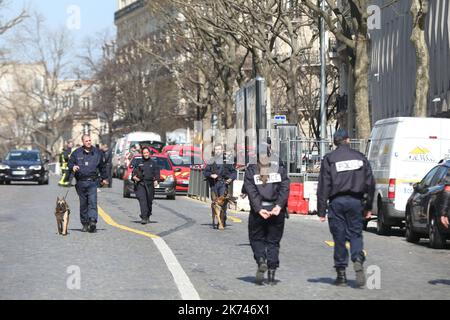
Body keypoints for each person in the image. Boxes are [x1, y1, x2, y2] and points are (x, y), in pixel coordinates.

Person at [317, 129, 375, 287]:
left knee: (339, 238)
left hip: (336, 202)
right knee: (356, 234)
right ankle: (357, 258)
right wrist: (368, 206)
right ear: (348, 140)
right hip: (356, 202)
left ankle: (341, 274)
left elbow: (324, 186)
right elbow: (370, 183)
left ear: (335, 142)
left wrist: (321, 210)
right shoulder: (360, 158)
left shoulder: (329, 159)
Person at [244, 153, 290, 285]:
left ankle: (261, 260)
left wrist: (259, 209)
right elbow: (285, 187)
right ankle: (271, 273)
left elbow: (251, 191)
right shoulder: (279, 169)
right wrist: (279, 206)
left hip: (258, 212)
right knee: (273, 242)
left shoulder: (251, 170)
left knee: (256, 239)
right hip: (276, 211)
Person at [68, 135, 108, 233]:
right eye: (86, 141)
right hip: (81, 182)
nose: (89, 142)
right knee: (83, 204)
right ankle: (85, 224)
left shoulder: (97, 153)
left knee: (93, 202)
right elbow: (69, 163)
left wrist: (104, 178)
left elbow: (102, 167)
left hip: (93, 182)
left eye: (90, 140)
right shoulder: (76, 153)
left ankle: (92, 221)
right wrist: (73, 167)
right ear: (83, 142)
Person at [204, 144, 237, 227]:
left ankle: (222, 220)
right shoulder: (211, 160)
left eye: (219, 149)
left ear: (222, 150)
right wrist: (211, 175)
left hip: (223, 184)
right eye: (216, 149)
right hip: (214, 184)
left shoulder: (227, 161)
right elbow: (205, 172)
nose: (217, 151)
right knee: (215, 202)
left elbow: (234, 172)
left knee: (222, 203)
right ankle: (218, 217)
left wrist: (230, 179)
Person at [132, 147, 160, 225]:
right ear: (142, 154)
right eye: (144, 153)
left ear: (149, 153)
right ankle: (144, 217)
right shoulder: (139, 162)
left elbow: (157, 172)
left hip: (150, 184)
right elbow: (133, 173)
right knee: (143, 200)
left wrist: (156, 180)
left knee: (149, 201)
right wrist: (134, 177)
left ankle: (147, 215)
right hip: (141, 184)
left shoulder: (153, 163)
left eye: (147, 153)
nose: (146, 154)